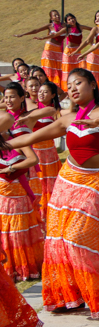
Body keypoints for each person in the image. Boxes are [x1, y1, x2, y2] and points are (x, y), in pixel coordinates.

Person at [7, 68, 99, 318]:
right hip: (67, 183)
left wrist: (97, 122)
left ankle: (96, 291)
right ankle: (70, 296)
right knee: (59, 241)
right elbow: (30, 138)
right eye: (70, 85)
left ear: (93, 85)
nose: (73, 89)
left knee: (78, 238)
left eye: (79, 83)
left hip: (95, 184)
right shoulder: (68, 119)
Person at [0, 100, 41, 282]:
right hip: (2, 194)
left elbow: (32, 159)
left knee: (19, 230)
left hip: (19, 192)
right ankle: (10, 266)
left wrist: (9, 170)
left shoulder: (16, 139)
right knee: (5, 230)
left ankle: (24, 267)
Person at [28, 82, 61, 223]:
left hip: (48, 154)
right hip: (33, 151)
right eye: (40, 91)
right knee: (36, 182)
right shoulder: (31, 108)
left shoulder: (56, 111)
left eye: (45, 92)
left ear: (53, 95)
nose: (41, 94)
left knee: (49, 183)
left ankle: (49, 214)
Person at [15, 10, 65, 88]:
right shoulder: (50, 25)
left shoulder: (65, 26)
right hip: (49, 48)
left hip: (58, 49)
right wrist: (23, 34)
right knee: (49, 68)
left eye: (58, 15)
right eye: (55, 15)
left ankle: (57, 87)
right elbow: (36, 30)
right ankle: (47, 85)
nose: (57, 16)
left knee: (58, 68)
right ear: (51, 18)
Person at [73, 10, 99, 86]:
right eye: (97, 16)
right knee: (94, 74)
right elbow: (87, 41)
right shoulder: (95, 29)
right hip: (95, 54)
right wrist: (77, 50)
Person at [58, 14, 91, 92]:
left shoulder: (80, 27)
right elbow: (56, 34)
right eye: (69, 19)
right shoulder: (67, 29)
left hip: (77, 50)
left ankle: (81, 86)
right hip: (69, 52)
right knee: (68, 70)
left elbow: (93, 29)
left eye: (72, 18)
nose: (71, 20)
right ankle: (67, 90)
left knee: (82, 67)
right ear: (67, 22)